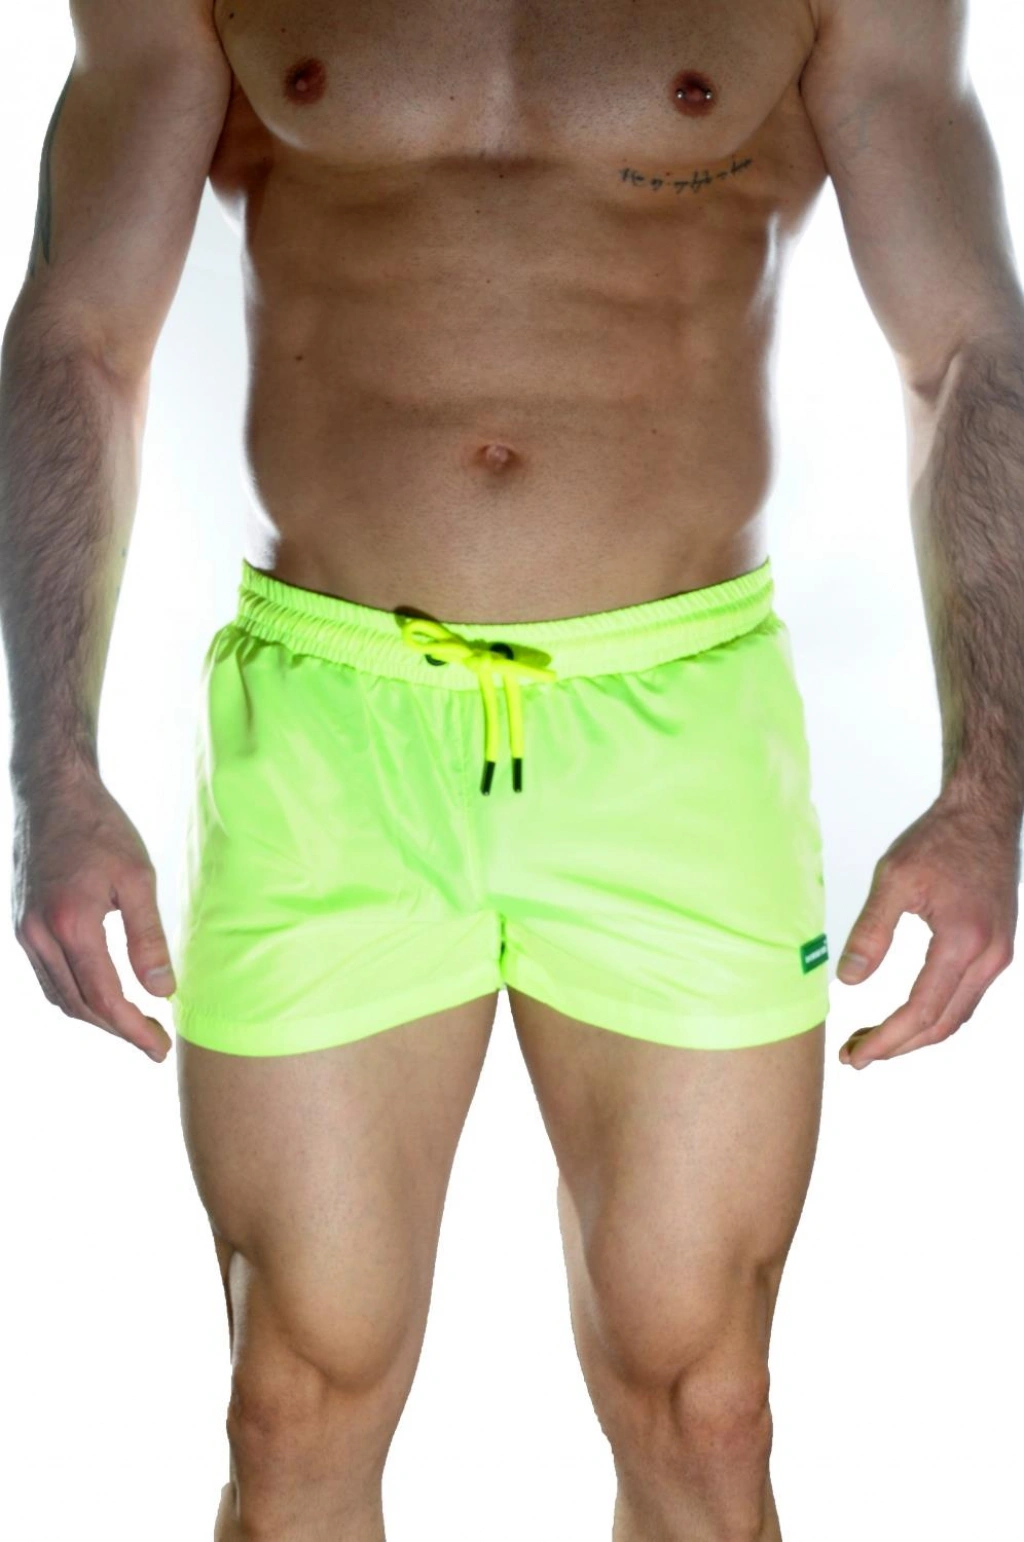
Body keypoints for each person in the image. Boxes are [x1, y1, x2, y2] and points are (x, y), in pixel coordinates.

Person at [2, 1, 1022, 1538]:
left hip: (674, 729)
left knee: (706, 1404)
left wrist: (987, 789)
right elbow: (78, 335)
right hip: (333, 730)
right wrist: (54, 771)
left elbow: (967, 348)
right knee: (291, 1400)